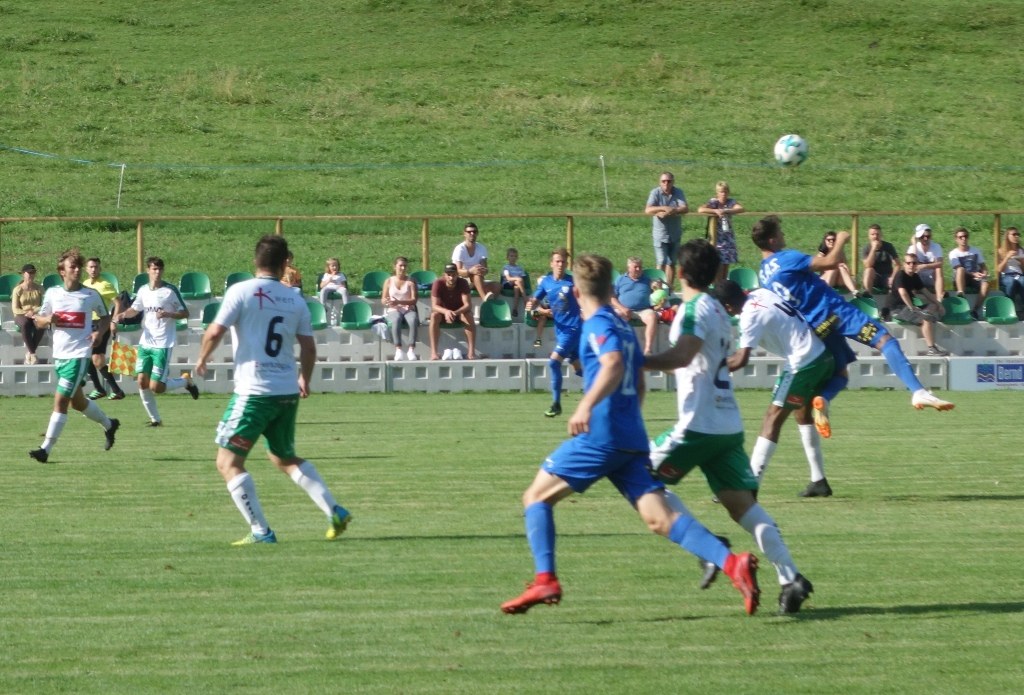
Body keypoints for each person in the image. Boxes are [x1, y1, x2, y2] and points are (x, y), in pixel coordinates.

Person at [501, 252, 760, 616]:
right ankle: (733, 564)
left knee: (536, 498)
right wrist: (629, 419)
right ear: (611, 288)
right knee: (659, 519)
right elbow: (637, 378)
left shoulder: (598, 324)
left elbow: (614, 364)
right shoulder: (623, 325)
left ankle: (545, 579)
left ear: (576, 291)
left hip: (601, 435)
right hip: (630, 436)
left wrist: (585, 406)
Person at [643, 239, 811, 615]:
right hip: (726, 424)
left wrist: (637, 360)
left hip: (698, 424)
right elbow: (697, 361)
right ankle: (791, 578)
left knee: (639, 478)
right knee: (744, 509)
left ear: (680, 273)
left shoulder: (693, 310)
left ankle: (708, 547)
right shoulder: (719, 310)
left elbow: (683, 355)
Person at [195, 235, 352, 545]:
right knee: (283, 457)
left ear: (255, 260)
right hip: (286, 391)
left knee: (227, 462)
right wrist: (305, 379)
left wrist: (202, 358)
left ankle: (261, 532)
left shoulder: (241, 291)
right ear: (284, 264)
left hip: (254, 392)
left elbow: (214, 331)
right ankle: (334, 510)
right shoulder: (295, 299)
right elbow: (309, 347)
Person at [753, 215, 954, 418]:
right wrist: (841, 239)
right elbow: (831, 262)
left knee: (841, 373)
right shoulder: (786, 258)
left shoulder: (763, 275)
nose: (783, 234)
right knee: (886, 341)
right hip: (835, 311)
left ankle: (823, 400)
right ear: (772, 240)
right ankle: (918, 392)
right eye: (779, 232)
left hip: (815, 324)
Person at [715, 280, 836, 497]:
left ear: (728, 306)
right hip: (821, 354)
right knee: (802, 414)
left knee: (772, 418)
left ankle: (748, 487)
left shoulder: (749, 316)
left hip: (803, 362)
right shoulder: (761, 292)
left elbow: (741, 360)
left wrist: (709, 369)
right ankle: (819, 481)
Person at [28, 248, 120, 463]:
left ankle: (45, 449)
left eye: (79, 266)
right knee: (77, 403)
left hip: (79, 355)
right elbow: (39, 320)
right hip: (60, 355)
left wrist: (99, 333)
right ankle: (110, 424)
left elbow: (105, 317)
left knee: (60, 401)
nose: (77, 270)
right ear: (62, 271)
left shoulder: (90, 294)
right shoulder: (53, 293)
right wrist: (47, 319)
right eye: (73, 267)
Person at [112, 257, 199, 426]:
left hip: (163, 344)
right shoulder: (143, 290)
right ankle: (155, 420)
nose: (157, 272)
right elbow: (135, 309)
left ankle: (185, 381)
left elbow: (185, 313)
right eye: (154, 269)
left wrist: (168, 314)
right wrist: (123, 314)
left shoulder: (169, 291)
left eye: (160, 269)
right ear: (148, 271)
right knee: (141, 381)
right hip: (146, 342)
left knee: (156, 387)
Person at [526, 247, 582, 417]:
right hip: (561, 330)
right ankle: (610, 388)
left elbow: (585, 298)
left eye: (563, 262)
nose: (560, 264)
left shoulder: (573, 282)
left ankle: (556, 403)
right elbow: (535, 301)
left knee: (554, 362)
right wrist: (533, 305)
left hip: (573, 329)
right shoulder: (546, 282)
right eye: (557, 261)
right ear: (551, 263)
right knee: (580, 369)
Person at [81, 257, 127, 401]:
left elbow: (118, 303)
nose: (93, 269)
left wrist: (114, 320)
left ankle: (111, 390)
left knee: (96, 358)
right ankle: (105, 389)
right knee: (89, 357)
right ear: (86, 269)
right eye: (91, 267)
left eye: (96, 267)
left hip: (101, 323)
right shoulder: (85, 284)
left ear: (100, 269)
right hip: (88, 323)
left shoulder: (105, 285)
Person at [891, 254, 949, 356]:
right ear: (904, 264)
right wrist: (912, 307)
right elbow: (903, 293)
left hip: (910, 307)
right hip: (898, 309)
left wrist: (939, 304)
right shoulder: (900, 275)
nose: (911, 265)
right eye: (908, 263)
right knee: (926, 319)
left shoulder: (915, 276)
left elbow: (926, 293)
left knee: (933, 305)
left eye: (914, 263)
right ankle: (932, 349)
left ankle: (926, 315)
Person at [644, 171, 688, 292]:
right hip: (660, 234)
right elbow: (648, 210)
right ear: (660, 182)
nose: (666, 184)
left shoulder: (678, 192)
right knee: (661, 262)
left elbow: (685, 208)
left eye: (669, 181)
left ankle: (668, 289)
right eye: (663, 181)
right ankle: (658, 291)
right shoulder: (655, 193)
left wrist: (672, 210)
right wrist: (663, 208)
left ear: (673, 182)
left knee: (672, 263)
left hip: (675, 234)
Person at [697, 180, 745, 285]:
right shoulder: (713, 202)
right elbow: (700, 209)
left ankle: (723, 286)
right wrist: (715, 211)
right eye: (721, 192)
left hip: (728, 238)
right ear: (717, 193)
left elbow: (741, 208)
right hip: (717, 239)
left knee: (725, 266)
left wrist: (726, 211)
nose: (723, 194)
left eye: (725, 191)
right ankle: (718, 287)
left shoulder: (731, 202)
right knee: (718, 265)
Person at [610, 256, 658, 355]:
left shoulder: (647, 279)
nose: (638, 269)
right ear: (628, 268)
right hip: (624, 310)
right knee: (614, 318)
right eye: (635, 267)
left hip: (643, 310)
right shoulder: (620, 279)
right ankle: (616, 349)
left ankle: (648, 349)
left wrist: (657, 286)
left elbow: (659, 291)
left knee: (652, 316)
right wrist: (622, 308)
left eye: (640, 267)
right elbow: (612, 298)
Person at [429, 263, 477, 360]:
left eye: (454, 275)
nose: (451, 278)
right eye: (449, 275)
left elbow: (468, 305)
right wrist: (446, 312)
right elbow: (434, 306)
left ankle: (471, 352)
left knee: (468, 316)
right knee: (434, 316)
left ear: (457, 275)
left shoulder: (463, 283)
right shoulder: (438, 283)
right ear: (444, 275)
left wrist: (455, 313)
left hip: (459, 313)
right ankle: (434, 352)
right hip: (443, 313)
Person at [382, 255, 419, 361]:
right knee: (396, 320)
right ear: (395, 267)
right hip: (394, 309)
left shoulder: (411, 281)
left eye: (405, 266)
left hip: (408, 308)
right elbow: (383, 299)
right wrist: (387, 302)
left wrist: (399, 302)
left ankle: (411, 349)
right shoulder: (389, 281)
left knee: (413, 320)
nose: (403, 268)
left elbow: (414, 300)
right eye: (401, 266)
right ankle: (398, 349)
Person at [452, 222, 501, 301]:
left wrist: (483, 270)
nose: (472, 234)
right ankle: (485, 300)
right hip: (463, 280)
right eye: (469, 232)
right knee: (476, 275)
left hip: (478, 280)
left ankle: (490, 302)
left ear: (477, 233)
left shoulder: (481, 248)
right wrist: (470, 271)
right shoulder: (459, 249)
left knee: (497, 286)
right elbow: (457, 271)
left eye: (474, 232)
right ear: (464, 234)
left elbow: (484, 267)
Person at [948, 228, 990, 319]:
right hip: (960, 278)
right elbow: (957, 267)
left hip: (975, 278)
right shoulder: (953, 253)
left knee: (986, 284)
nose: (963, 239)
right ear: (956, 239)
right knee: (961, 269)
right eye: (960, 237)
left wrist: (984, 274)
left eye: (965, 236)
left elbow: (983, 266)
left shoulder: (975, 251)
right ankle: (961, 294)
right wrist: (974, 274)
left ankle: (975, 310)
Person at [860, 223, 900, 319]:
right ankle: (868, 297)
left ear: (881, 235)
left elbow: (898, 264)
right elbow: (867, 265)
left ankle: (889, 310)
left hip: (887, 276)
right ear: (869, 236)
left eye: (877, 234)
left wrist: (893, 277)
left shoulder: (888, 246)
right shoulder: (866, 248)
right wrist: (873, 249)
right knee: (869, 270)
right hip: (874, 277)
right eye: (873, 234)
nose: (875, 236)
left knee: (896, 280)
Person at [11, 263, 45, 364]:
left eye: (33, 272)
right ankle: (33, 353)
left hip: (35, 314)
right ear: (23, 274)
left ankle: (30, 352)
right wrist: (26, 313)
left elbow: (45, 305)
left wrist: (34, 311)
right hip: (21, 315)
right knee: (25, 324)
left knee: (42, 324)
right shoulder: (18, 289)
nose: (31, 275)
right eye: (29, 273)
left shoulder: (39, 288)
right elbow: (15, 309)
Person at [907, 223, 945, 298]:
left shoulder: (936, 246)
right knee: (911, 268)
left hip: (932, 277)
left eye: (928, 236)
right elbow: (911, 262)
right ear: (918, 237)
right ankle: (912, 297)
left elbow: (940, 263)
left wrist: (924, 266)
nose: (925, 239)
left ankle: (939, 298)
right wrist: (914, 245)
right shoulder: (913, 248)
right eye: (922, 237)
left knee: (938, 269)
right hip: (918, 277)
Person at [996, 226, 1024, 317]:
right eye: (1014, 234)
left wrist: (1021, 262)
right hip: (1007, 275)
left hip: (1019, 274)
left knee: (1023, 281)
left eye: (1018, 234)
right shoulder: (1001, 251)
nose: (1016, 236)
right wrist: (1007, 257)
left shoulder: (1021, 250)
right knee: (1011, 282)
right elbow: (999, 269)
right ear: (1007, 236)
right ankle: (1008, 309)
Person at [318, 257, 349, 325]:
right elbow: (321, 286)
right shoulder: (326, 275)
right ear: (328, 267)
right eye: (333, 266)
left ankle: (346, 307)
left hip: (338, 287)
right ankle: (323, 306)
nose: (335, 267)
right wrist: (329, 280)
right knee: (323, 290)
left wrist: (342, 286)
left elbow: (344, 284)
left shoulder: (341, 274)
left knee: (344, 290)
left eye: (336, 266)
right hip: (328, 287)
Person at [501, 247, 529, 317]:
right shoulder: (506, 267)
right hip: (508, 284)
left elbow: (522, 279)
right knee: (518, 281)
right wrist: (517, 278)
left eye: (515, 256)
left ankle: (515, 309)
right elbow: (508, 278)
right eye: (511, 256)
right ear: (507, 257)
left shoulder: (520, 268)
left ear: (517, 258)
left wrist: (518, 280)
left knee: (516, 288)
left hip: (517, 285)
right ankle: (525, 300)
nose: (513, 258)